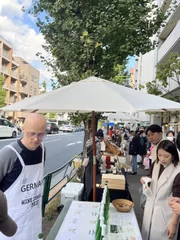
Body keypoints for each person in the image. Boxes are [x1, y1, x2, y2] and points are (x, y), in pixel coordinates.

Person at [0, 113, 46, 240]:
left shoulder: (42, 150)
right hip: (10, 226)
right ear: (23, 129)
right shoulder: (8, 154)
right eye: (31, 133)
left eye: (40, 134)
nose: (36, 139)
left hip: (33, 222)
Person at [141, 140, 180, 240]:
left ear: (173, 155)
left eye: (166, 156)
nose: (162, 159)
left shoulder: (177, 172)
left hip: (165, 214)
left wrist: (173, 224)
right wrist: (145, 179)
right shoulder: (156, 164)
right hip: (150, 207)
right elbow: (151, 178)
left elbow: (177, 200)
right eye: (159, 155)